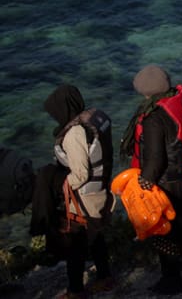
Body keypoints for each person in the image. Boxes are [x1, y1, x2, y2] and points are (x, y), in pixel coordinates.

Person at [120, 65, 182, 295]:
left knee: (162, 228)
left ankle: (172, 278)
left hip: (169, 181)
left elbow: (155, 159)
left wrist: (144, 183)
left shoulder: (154, 119)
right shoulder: (181, 99)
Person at [41, 85, 115, 298]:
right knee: (96, 236)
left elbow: (80, 174)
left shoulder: (74, 133)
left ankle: (76, 291)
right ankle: (105, 277)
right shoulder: (90, 119)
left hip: (83, 197)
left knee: (75, 244)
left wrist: (59, 185)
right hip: (99, 190)